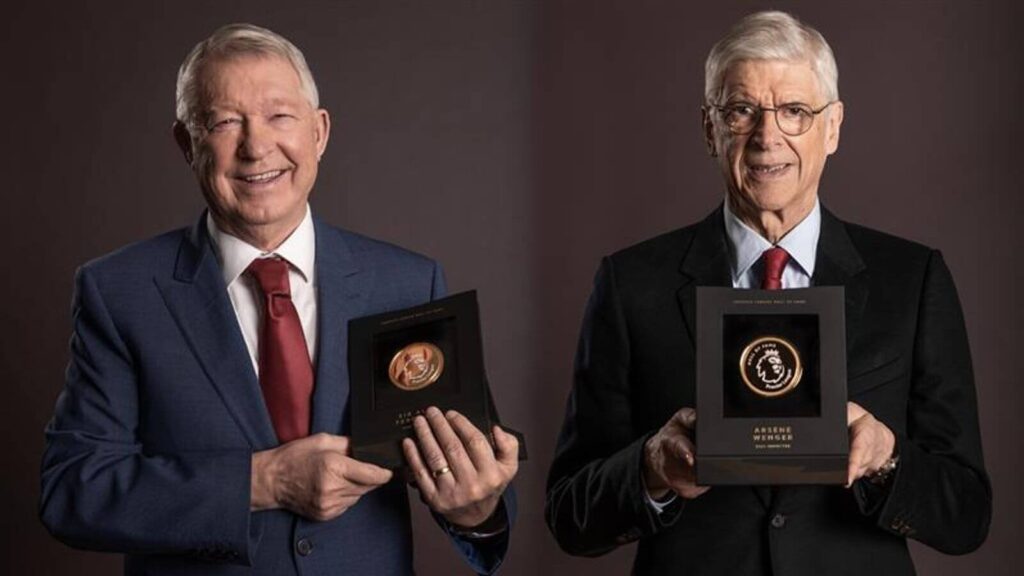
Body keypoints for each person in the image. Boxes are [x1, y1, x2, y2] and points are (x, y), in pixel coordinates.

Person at [40, 23, 518, 576]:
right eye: (224, 122)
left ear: (319, 132)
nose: (256, 146)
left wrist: (476, 510)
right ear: (187, 144)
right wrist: (261, 482)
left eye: (279, 116)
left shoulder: (408, 284)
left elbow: (478, 488)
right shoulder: (120, 292)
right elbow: (73, 490)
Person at [546, 10, 990, 575]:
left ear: (833, 127)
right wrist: (651, 470)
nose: (766, 136)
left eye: (795, 111)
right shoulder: (631, 283)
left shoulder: (912, 279)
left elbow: (966, 513)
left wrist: (889, 459)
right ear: (709, 128)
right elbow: (570, 515)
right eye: (741, 110)